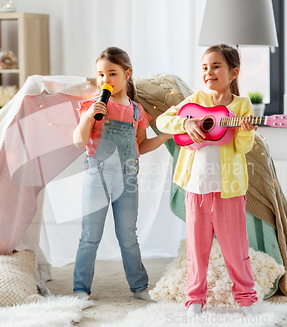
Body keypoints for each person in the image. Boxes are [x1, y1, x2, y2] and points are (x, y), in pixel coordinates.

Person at [156, 44, 259, 316]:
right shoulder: (195, 100)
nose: (209, 72)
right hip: (196, 187)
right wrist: (186, 124)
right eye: (204, 67)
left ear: (233, 72)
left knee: (236, 249)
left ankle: (247, 299)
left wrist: (247, 131)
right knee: (196, 250)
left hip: (229, 189)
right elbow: (162, 121)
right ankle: (195, 300)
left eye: (216, 66)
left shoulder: (242, 106)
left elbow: (243, 147)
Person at [72, 47, 171, 301]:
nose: (106, 80)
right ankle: (81, 288)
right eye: (101, 75)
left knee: (128, 235)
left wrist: (166, 136)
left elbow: (141, 146)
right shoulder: (93, 106)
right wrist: (89, 117)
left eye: (112, 74)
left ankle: (139, 287)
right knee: (89, 236)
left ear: (127, 74)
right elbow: (78, 140)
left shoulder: (137, 111)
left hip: (128, 180)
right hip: (98, 177)